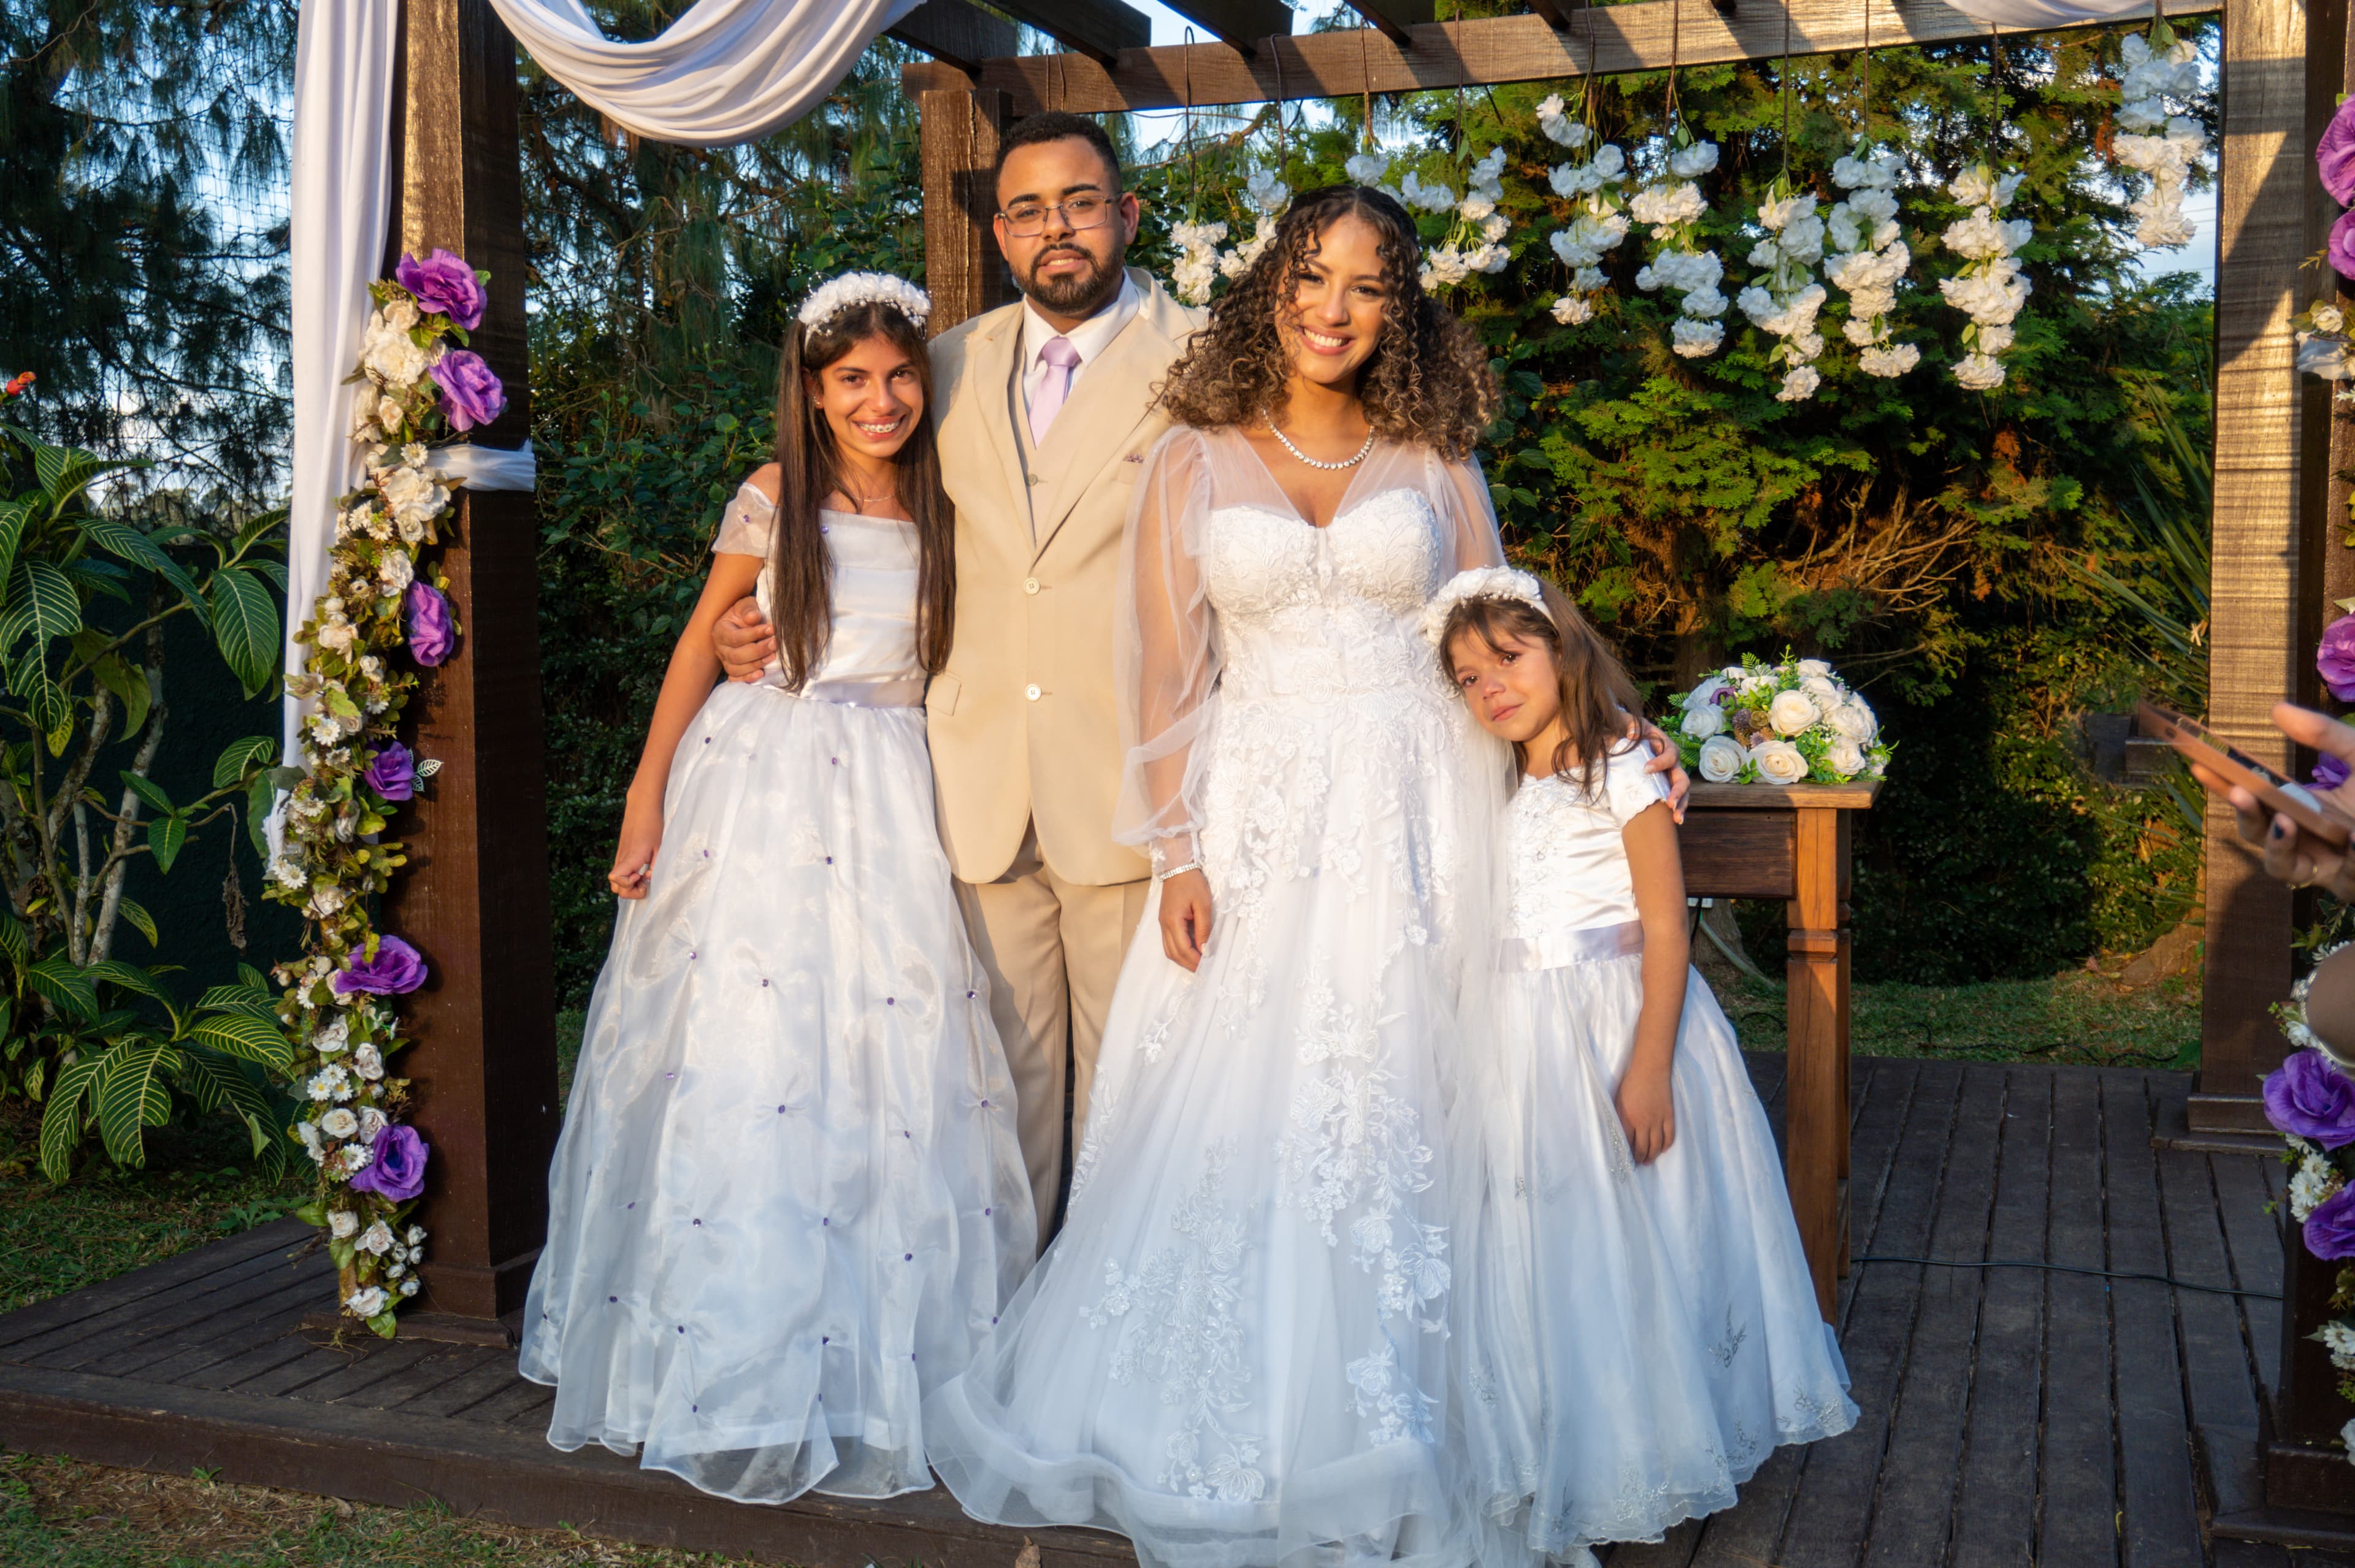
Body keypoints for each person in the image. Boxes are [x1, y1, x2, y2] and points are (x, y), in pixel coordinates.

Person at [920, 184, 1525, 1568]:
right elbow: (1165, 668)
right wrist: (1179, 850)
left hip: (1411, 811)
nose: (1333, 308)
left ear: (1401, 309)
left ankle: (1401, 1401)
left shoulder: (1435, 455)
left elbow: (1500, 630)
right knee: (1241, 1098)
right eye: (1312, 276)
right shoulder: (1194, 455)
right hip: (1250, 811)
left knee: (1393, 1088)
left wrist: (1599, 734)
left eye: (1367, 286)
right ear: (1269, 287)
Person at [517, 275, 1032, 1506]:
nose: (881, 398)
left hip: (894, 787)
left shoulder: (951, 499)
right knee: (755, 1055)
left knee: (885, 1063)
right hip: (765, 778)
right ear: (813, 390)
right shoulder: (776, 493)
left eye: (901, 375)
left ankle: (873, 1359)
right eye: (851, 379)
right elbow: (707, 636)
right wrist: (645, 797)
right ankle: (725, 1358)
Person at [714, 113, 1203, 1249]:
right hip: (968, 786)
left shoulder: (1205, 359)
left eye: (1080, 202)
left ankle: (1117, 1343)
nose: (1057, 230)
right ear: (999, 232)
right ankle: (1014, 1331)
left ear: (1125, 213)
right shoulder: (948, 363)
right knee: (999, 1095)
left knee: (1140, 1086)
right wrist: (759, 626)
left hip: (1131, 782)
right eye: (1029, 210)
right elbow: (843, 478)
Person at [1431, 567, 1857, 1567]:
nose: (1490, 686)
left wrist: (1650, 1065)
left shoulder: (1619, 762)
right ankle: (1558, 1424)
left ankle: (1643, 1432)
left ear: (1563, 647)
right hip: (1519, 1033)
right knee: (1547, 1231)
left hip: (1612, 1020)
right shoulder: (1508, 776)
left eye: (1507, 655)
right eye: (1465, 676)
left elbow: (1668, 928)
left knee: (1635, 1232)